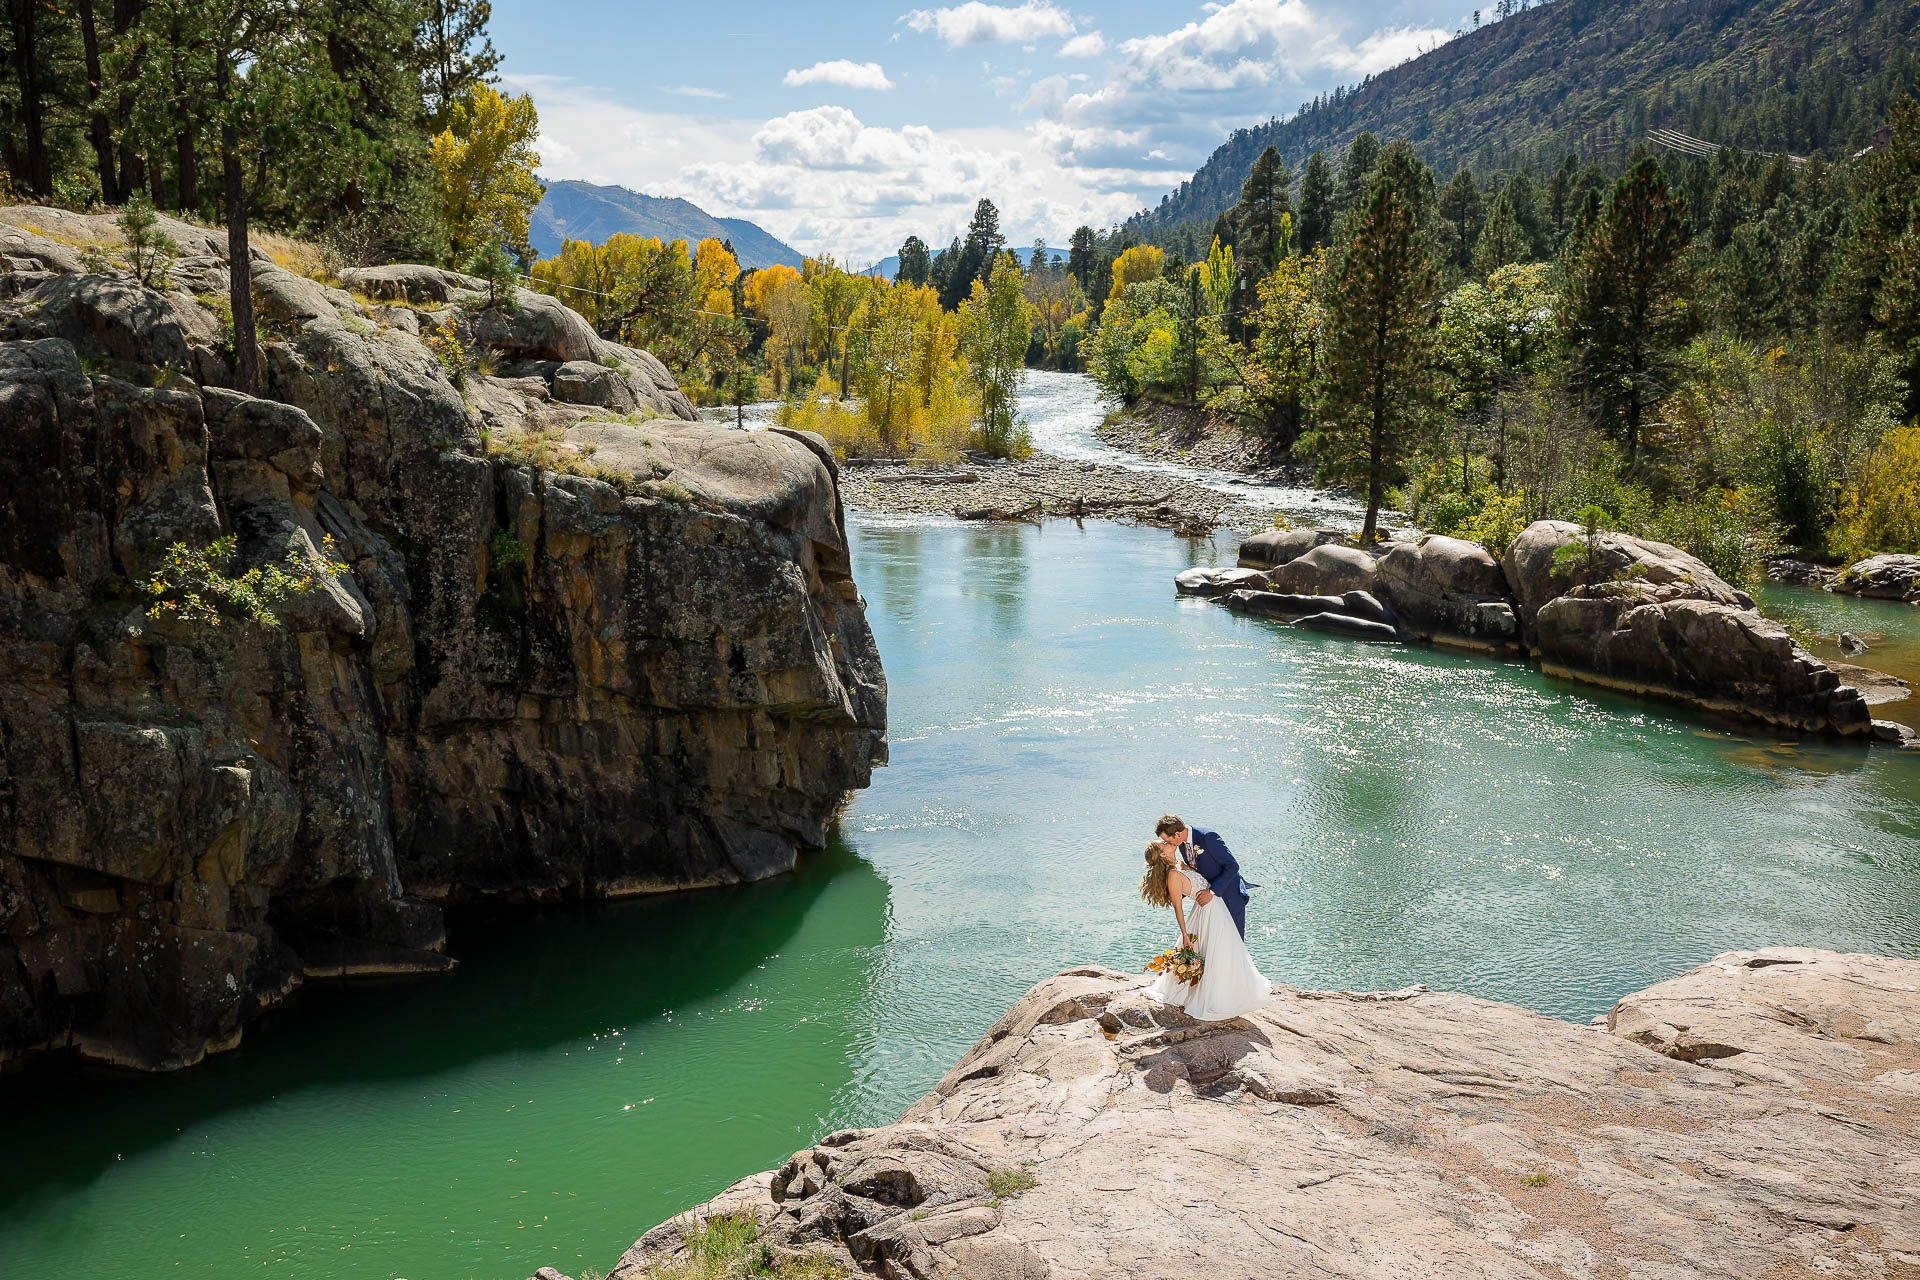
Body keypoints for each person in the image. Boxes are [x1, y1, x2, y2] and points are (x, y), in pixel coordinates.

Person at [1139, 839, 1271, 1022]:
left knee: (1225, 952)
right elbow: (1178, 908)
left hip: (1217, 909)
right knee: (1216, 954)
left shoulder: (1181, 864)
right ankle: (1214, 1000)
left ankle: (1230, 995)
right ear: (1162, 854)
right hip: (1206, 914)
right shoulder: (1172, 875)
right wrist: (1185, 935)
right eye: (1163, 844)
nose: (1166, 841)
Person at [1154, 815, 1253, 937]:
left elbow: (1232, 866)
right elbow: (1198, 873)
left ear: (1177, 834)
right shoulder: (1181, 844)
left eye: (1168, 840)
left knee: (1233, 940)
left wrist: (1211, 892)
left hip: (1229, 893)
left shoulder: (1207, 837)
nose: (1168, 843)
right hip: (1209, 902)